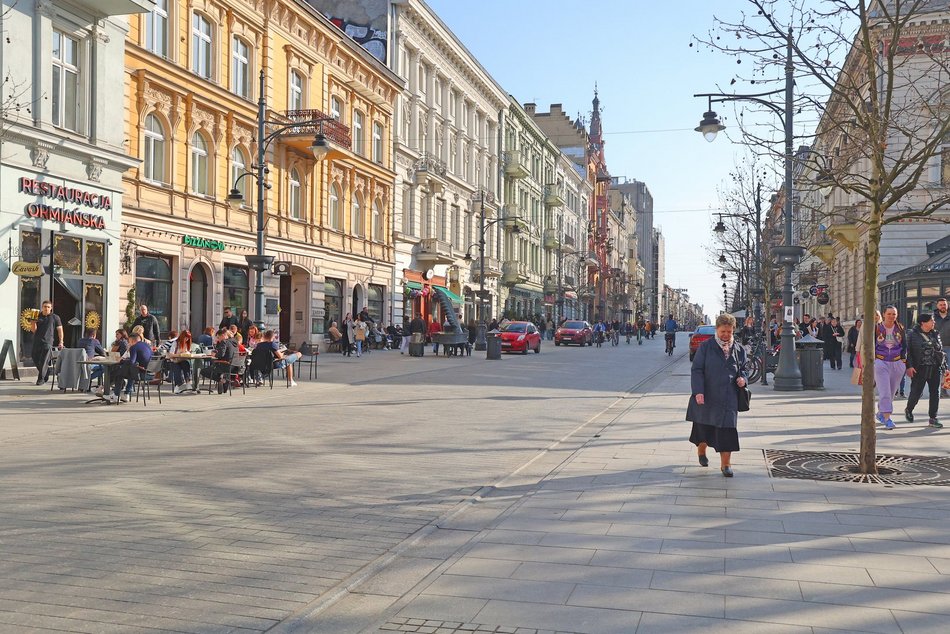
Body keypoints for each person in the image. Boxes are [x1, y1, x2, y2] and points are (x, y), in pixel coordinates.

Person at [686, 313, 748, 477]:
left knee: (728, 431)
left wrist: (743, 379)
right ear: (717, 330)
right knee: (704, 429)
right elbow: (697, 370)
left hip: (729, 397)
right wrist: (698, 391)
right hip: (708, 395)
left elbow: (744, 369)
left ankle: (725, 465)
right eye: (723, 332)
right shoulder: (706, 347)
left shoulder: (739, 349)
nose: (726, 335)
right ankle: (701, 451)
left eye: (729, 332)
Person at [904, 313, 945, 429]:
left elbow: (940, 350)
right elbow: (908, 352)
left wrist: (944, 365)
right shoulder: (912, 334)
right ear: (923, 323)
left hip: (935, 368)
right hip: (919, 369)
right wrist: (909, 366)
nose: (934, 322)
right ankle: (909, 409)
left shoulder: (935, 333)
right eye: (931, 321)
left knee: (935, 393)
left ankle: (933, 418)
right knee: (916, 393)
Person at [874, 306, 907, 430]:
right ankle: (887, 418)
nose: (891, 316)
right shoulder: (877, 328)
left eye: (894, 314)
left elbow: (905, 346)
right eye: (889, 314)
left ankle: (881, 413)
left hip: (897, 362)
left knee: (892, 392)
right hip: (881, 361)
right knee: (885, 391)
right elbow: (871, 344)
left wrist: (904, 362)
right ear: (884, 314)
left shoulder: (900, 328)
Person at [109, 332, 153, 403]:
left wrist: (122, 361)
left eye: (129, 341)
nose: (128, 343)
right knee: (129, 371)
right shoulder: (147, 346)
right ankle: (126, 394)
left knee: (118, 373)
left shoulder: (134, 347)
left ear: (132, 340)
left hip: (140, 374)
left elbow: (132, 361)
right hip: (149, 374)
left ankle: (115, 395)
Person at [29, 300, 63, 385]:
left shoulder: (55, 317)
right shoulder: (37, 316)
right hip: (37, 340)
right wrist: (33, 322)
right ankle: (46, 371)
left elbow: (60, 330)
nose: (46, 308)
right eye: (45, 307)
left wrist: (61, 341)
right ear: (42, 307)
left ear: (51, 308)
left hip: (48, 342)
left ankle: (41, 379)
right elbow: (33, 330)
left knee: (44, 360)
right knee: (34, 356)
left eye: (48, 307)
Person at [200, 328, 238, 394]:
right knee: (216, 368)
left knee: (203, 371)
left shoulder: (224, 342)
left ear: (223, 335)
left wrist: (214, 354)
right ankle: (224, 384)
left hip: (225, 366)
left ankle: (223, 381)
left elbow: (221, 354)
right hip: (234, 367)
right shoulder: (234, 343)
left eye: (218, 337)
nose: (218, 339)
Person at [935, 298, 950, 397]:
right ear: (937, 306)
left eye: (944, 304)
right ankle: (940, 390)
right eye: (940, 304)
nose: (943, 306)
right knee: (938, 369)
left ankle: (945, 390)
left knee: (948, 369)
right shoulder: (933, 317)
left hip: (949, 346)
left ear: (947, 305)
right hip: (937, 348)